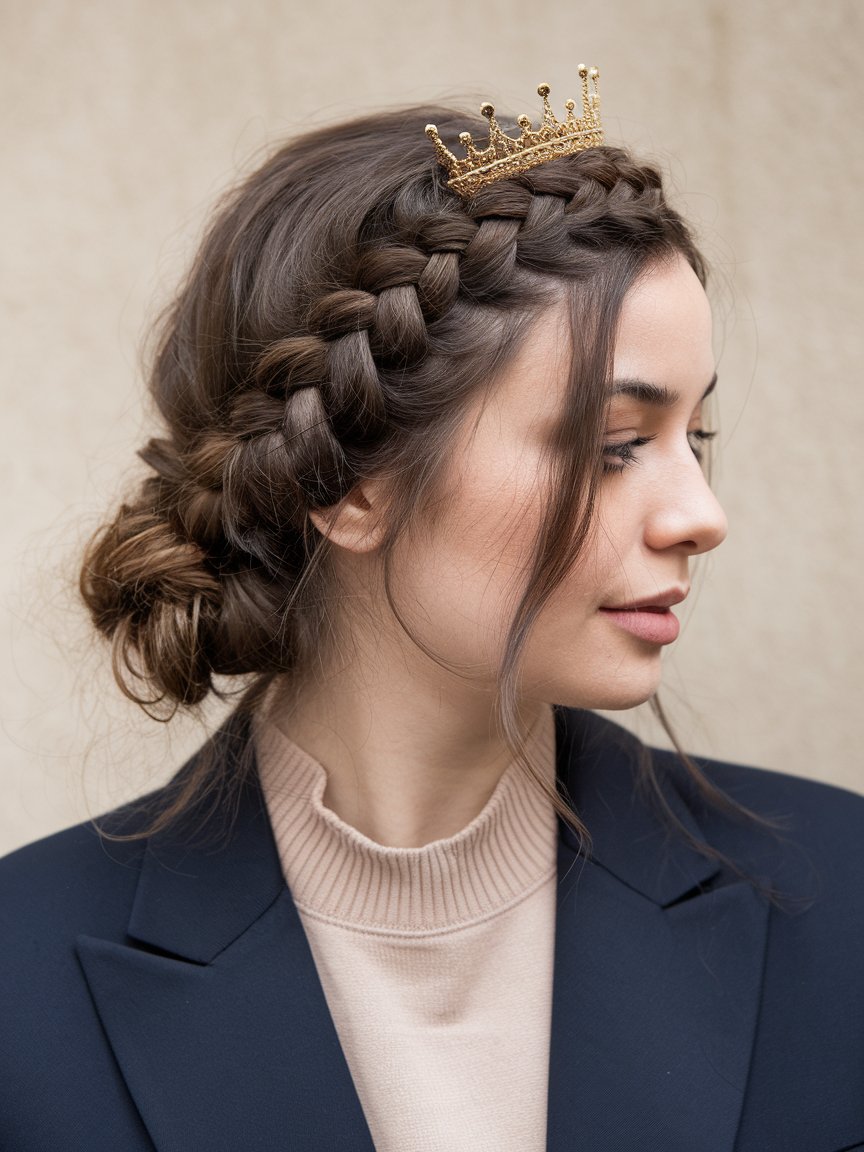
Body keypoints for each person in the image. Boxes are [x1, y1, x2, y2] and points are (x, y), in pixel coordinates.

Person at [1, 73, 863, 1152]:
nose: (700, 515)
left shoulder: (844, 897)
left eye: (699, 440)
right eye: (612, 447)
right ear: (346, 484)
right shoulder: (18, 988)